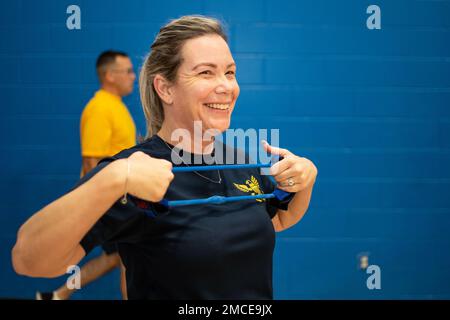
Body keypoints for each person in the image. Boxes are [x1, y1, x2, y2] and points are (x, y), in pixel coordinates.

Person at [12, 15, 318, 299]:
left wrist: (306, 179)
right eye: (206, 73)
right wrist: (114, 178)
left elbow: (279, 219)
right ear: (165, 89)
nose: (226, 86)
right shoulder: (133, 171)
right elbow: (28, 261)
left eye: (230, 72)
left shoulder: (240, 161)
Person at [35, 50, 136, 300]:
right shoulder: (100, 108)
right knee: (128, 257)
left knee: (116, 257)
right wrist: (100, 204)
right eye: (128, 71)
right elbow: (92, 161)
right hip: (111, 200)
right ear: (110, 75)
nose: (133, 77)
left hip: (120, 197)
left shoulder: (116, 107)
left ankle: (58, 295)